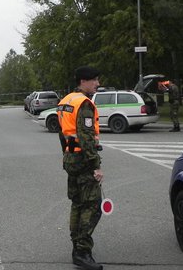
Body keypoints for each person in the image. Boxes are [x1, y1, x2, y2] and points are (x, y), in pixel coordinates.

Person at [57, 66, 104, 270]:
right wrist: (96, 166)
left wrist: (66, 153)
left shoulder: (66, 100)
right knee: (93, 206)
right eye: (94, 80)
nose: (97, 84)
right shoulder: (84, 104)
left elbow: (62, 133)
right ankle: (82, 251)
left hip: (70, 158)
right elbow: (85, 138)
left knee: (77, 202)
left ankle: (76, 243)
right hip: (84, 160)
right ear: (83, 82)